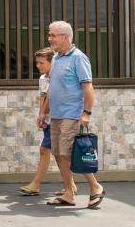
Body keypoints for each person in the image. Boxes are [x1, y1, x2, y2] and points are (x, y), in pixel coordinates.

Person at [44, 21, 104, 208]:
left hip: (72, 114)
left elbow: (87, 87)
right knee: (58, 154)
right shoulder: (56, 58)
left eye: (53, 35)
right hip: (56, 115)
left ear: (65, 37)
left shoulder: (78, 58)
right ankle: (69, 193)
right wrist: (43, 112)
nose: (50, 38)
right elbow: (51, 88)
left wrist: (86, 113)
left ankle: (95, 187)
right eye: (49, 34)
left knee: (69, 153)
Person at [19, 47, 77, 197]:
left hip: (61, 118)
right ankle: (71, 186)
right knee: (59, 154)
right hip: (50, 120)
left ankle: (36, 184)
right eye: (37, 62)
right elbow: (43, 97)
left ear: (53, 63)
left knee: (46, 151)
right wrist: (41, 115)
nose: (38, 66)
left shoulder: (59, 77)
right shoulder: (43, 79)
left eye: (41, 63)